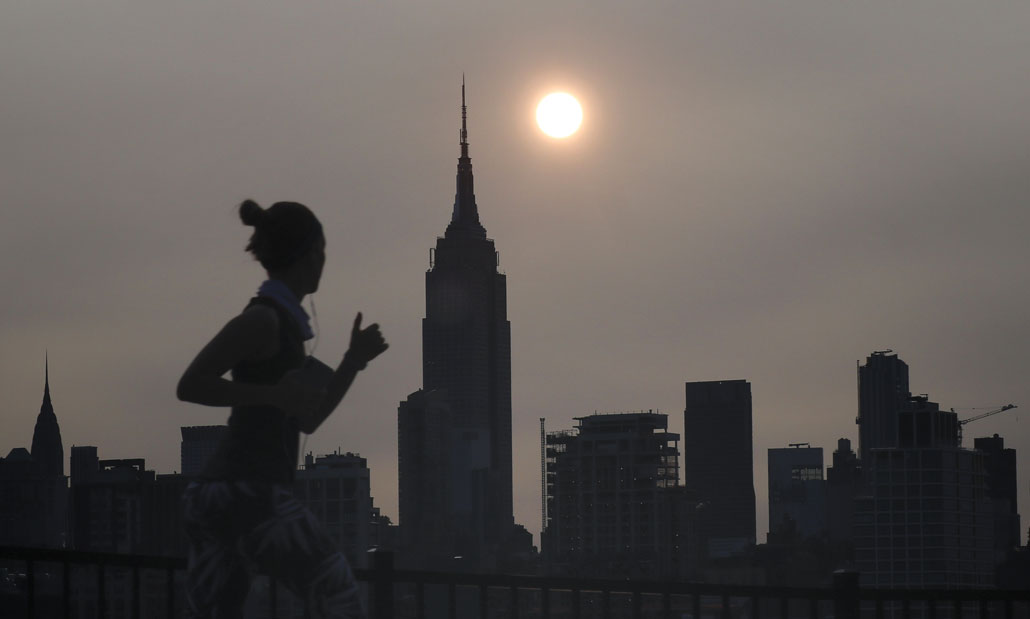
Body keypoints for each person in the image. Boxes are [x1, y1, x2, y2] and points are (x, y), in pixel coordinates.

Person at [177, 199, 387, 619]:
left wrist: (353, 361)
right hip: (249, 491)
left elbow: (308, 416)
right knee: (336, 591)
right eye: (321, 252)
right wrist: (272, 394)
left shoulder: (287, 329)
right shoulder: (263, 321)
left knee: (218, 610)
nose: (323, 263)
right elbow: (191, 385)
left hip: (222, 495)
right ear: (307, 256)